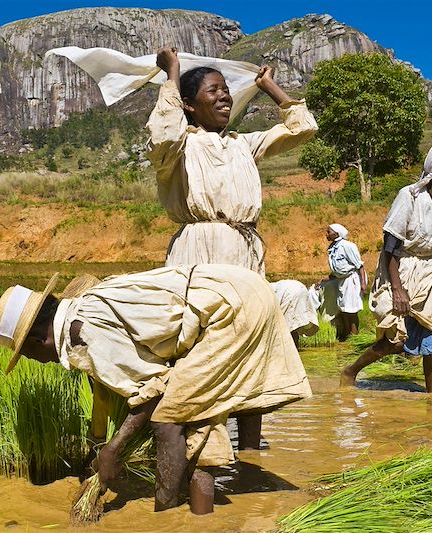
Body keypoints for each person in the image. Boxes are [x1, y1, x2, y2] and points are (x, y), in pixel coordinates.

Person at [0, 265, 311, 514]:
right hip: (235, 291)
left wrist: (113, 450)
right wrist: (99, 446)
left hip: (230, 309)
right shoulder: (80, 313)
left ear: (38, 340)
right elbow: (111, 392)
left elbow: (152, 394)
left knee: (169, 418)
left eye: (28, 354)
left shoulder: (82, 334)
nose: (38, 361)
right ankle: (202, 519)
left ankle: (166, 513)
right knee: (195, 415)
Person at [148, 45, 318, 449]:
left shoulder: (244, 144)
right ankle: (199, 443)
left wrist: (269, 87)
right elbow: (161, 133)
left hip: (244, 252)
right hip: (200, 252)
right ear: (188, 105)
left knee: (252, 340)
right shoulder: (179, 147)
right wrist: (172, 73)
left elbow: (303, 128)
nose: (224, 96)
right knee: (202, 347)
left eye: (226, 90)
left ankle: (249, 452)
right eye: (212, 91)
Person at [340, 140, 432, 393]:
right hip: (400, 269)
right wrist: (397, 289)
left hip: (428, 275)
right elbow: (391, 247)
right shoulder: (409, 196)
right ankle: (350, 371)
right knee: (395, 341)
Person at [319, 223, 367, 341]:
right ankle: (347, 335)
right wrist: (329, 278)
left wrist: (363, 283)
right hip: (342, 281)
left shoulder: (347, 246)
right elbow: (338, 268)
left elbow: (359, 266)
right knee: (343, 309)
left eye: (329, 232)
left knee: (351, 309)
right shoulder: (332, 248)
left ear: (337, 233)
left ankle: (355, 337)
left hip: (351, 280)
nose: (327, 234)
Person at [271, 279, 320, 348]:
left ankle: (290, 349)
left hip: (290, 292)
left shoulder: (266, 290)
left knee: (286, 327)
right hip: (300, 287)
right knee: (292, 325)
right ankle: (294, 348)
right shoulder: (271, 287)